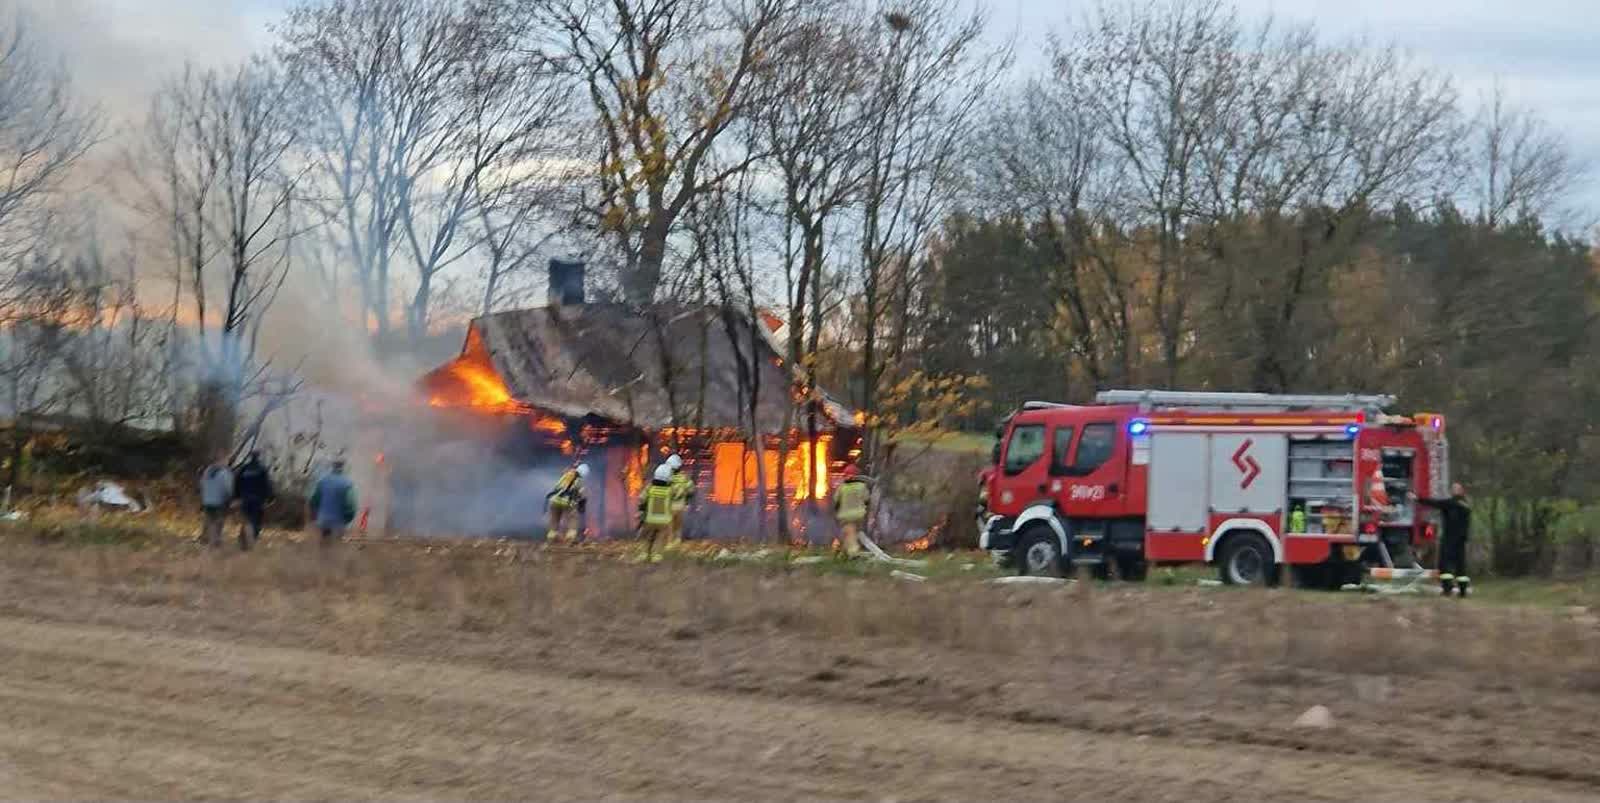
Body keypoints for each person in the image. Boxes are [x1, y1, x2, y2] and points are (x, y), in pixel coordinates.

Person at [1412, 482, 1473, 597]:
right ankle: (1462, 591)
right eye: (1453, 488)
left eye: (1455, 488)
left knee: (1445, 564)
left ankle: (1447, 589)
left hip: (1449, 539)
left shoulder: (1450, 503)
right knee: (1460, 566)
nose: (1453, 490)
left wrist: (1418, 499)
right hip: (1461, 540)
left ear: (1461, 491)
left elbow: (1435, 503)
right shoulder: (1466, 505)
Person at [308, 459, 357, 545]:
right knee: (337, 547)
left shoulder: (323, 481)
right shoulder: (347, 484)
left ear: (333, 467)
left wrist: (314, 517)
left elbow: (314, 501)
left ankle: (323, 551)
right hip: (340, 522)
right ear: (343, 468)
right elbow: (351, 506)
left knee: (324, 544)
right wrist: (348, 519)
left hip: (324, 521)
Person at [233, 451, 274, 551]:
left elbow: (237, 484)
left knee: (246, 520)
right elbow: (267, 485)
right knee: (255, 521)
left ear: (250, 457)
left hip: (245, 499)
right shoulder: (262, 469)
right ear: (258, 457)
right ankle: (250, 542)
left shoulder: (244, 469)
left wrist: (236, 497)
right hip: (257, 500)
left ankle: (243, 541)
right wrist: (270, 498)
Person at [637, 464, 675, 561]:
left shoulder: (650, 488)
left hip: (650, 519)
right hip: (664, 521)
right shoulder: (669, 491)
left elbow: (641, 499)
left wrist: (641, 511)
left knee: (647, 537)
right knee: (660, 538)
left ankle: (644, 554)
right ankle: (656, 555)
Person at [545, 462, 589, 544]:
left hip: (554, 500)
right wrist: (582, 503)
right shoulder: (579, 480)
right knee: (573, 519)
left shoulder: (566, 475)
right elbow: (581, 494)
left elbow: (557, 487)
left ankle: (551, 537)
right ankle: (570, 538)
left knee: (554, 520)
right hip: (567, 502)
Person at [832, 464, 869, 558]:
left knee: (850, 534)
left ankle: (853, 554)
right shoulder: (862, 486)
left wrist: (836, 511)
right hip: (860, 515)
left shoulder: (842, 487)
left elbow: (836, 501)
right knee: (850, 534)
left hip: (846, 516)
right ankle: (843, 553)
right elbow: (867, 499)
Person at [198, 455, 234, 548]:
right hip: (220, 501)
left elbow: (202, 484)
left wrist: (204, 496)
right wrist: (230, 498)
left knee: (209, 519)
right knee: (219, 520)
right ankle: (215, 540)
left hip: (208, 500)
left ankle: (205, 538)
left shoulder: (208, 470)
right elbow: (228, 488)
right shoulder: (225, 472)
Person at [665, 453, 695, 549]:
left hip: (669, 506)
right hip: (680, 506)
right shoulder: (684, 478)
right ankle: (677, 541)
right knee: (678, 525)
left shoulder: (667, 478)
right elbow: (691, 490)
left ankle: (670, 543)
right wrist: (687, 501)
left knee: (670, 526)